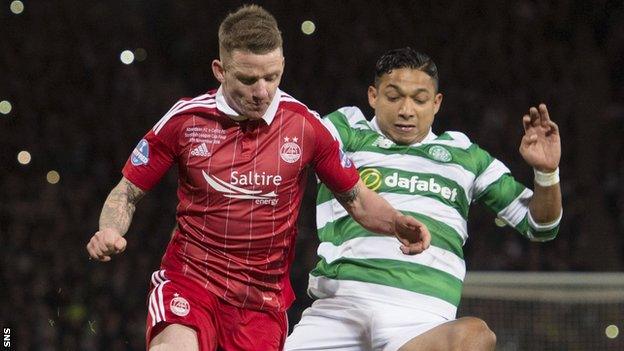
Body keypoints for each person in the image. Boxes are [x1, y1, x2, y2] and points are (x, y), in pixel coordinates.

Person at [85, 7, 431, 351]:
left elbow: (356, 198)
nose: (262, 91)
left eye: (272, 77)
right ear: (220, 71)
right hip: (191, 280)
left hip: (260, 303)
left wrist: (396, 222)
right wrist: (111, 229)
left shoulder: (305, 126)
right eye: (249, 80)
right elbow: (128, 191)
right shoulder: (186, 121)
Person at [285, 47, 562, 351]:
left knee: (475, 336)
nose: (407, 110)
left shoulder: (464, 155)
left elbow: (540, 226)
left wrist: (546, 174)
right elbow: (293, 139)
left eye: (419, 100)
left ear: (436, 103)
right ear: (373, 96)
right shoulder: (347, 129)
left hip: (421, 323)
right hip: (340, 309)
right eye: (393, 97)